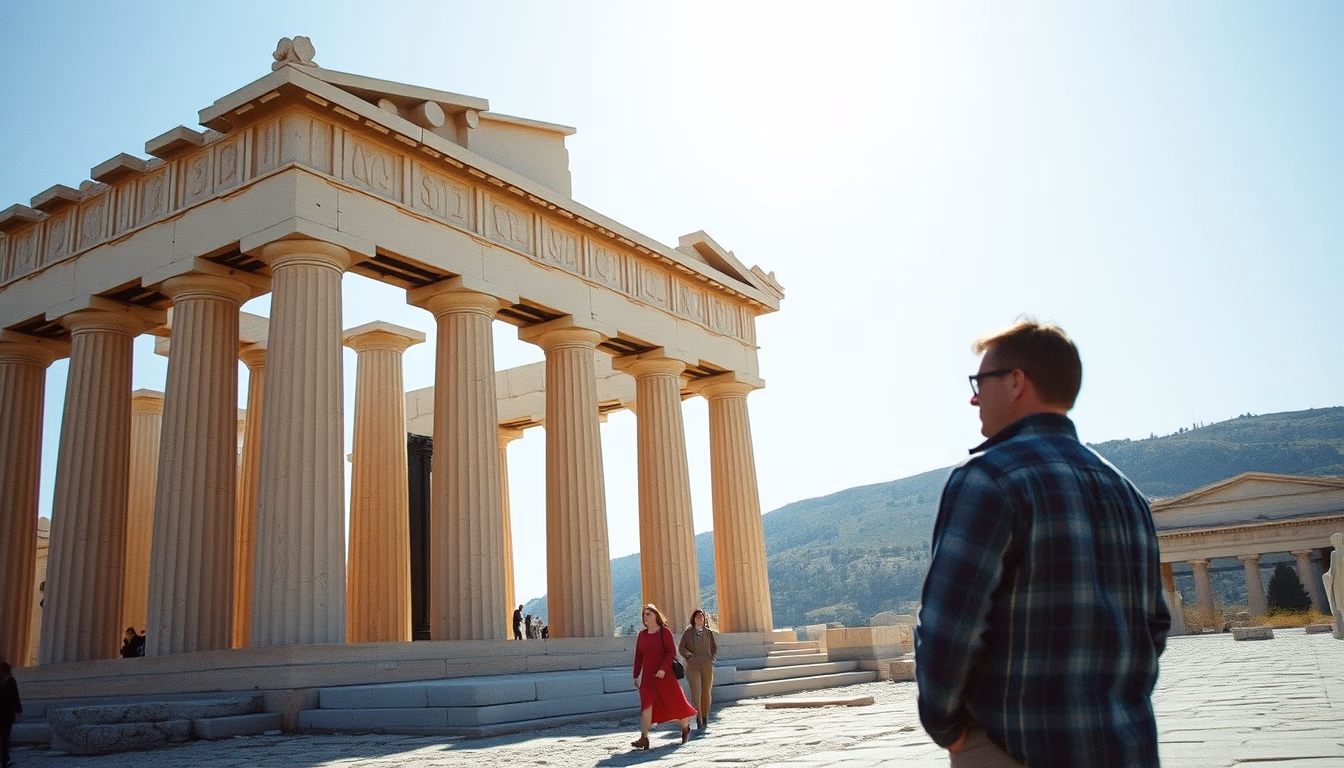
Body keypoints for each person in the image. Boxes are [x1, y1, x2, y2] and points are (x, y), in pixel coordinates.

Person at [915, 320, 1169, 767]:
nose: (974, 397)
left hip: (1014, 748)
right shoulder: (1129, 493)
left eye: (980, 382)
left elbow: (948, 628)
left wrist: (948, 731)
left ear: (1015, 382)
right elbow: (1154, 625)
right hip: (1126, 746)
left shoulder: (988, 478)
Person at [630, 603, 696, 749]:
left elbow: (671, 652)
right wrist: (636, 675)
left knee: (674, 703)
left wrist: (663, 669)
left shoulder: (664, 632)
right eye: (644, 615)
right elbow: (638, 656)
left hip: (664, 676)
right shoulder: (642, 635)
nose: (645, 617)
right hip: (647, 677)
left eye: (649, 614)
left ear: (655, 616)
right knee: (646, 705)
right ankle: (644, 738)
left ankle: (685, 727)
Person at [678, 609, 718, 733]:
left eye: (701, 617)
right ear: (693, 619)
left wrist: (712, 658)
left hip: (707, 664)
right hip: (693, 665)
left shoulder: (708, 633)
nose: (700, 619)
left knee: (706, 690)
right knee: (697, 691)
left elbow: (714, 647)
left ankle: (705, 716)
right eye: (697, 617)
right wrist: (688, 656)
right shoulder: (688, 633)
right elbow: (681, 647)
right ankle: (699, 717)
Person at [1, 660, 21, 768]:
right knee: (5, 739)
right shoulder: (10, 681)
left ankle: (5, 759)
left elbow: (15, 697)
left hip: (7, 715)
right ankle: (5, 759)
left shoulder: (11, 681)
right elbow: (15, 697)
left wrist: (18, 710)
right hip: (6, 715)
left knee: (4, 739)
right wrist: (19, 710)